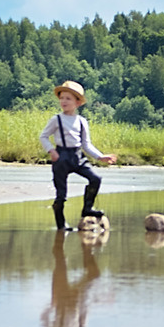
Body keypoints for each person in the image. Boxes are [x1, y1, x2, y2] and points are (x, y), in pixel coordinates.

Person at [39, 80, 117, 231]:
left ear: (78, 102)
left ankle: (87, 208)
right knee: (61, 194)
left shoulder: (82, 121)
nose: (64, 101)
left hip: (77, 156)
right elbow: (43, 136)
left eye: (68, 98)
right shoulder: (56, 119)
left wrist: (100, 157)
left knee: (95, 179)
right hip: (61, 157)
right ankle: (61, 225)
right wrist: (51, 150)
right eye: (62, 98)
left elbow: (86, 144)